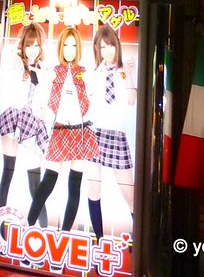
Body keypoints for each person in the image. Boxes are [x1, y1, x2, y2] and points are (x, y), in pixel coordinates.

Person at [27, 27, 98, 231]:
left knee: (74, 187)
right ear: (60, 47)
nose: (69, 49)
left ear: (78, 48)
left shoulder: (84, 73)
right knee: (48, 182)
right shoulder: (53, 72)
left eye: (73, 45)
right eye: (66, 45)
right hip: (59, 131)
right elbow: (40, 96)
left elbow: (93, 100)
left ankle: (64, 235)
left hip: (81, 132)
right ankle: (28, 226)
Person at [0, 22, 50, 226]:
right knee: (7, 174)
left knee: (35, 184)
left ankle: (43, 232)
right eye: (29, 45)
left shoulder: (44, 70)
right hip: (14, 120)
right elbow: (10, 55)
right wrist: (19, 50)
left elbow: (44, 102)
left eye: (36, 45)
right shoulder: (16, 64)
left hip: (34, 125)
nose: (33, 50)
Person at [86, 26, 137, 241]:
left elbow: (132, 100)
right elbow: (88, 103)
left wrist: (131, 75)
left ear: (117, 46)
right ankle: (98, 241)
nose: (107, 51)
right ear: (97, 50)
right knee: (93, 190)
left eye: (110, 46)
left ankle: (139, 239)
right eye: (102, 47)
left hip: (116, 135)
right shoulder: (93, 74)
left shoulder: (124, 71)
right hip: (94, 132)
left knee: (130, 194)